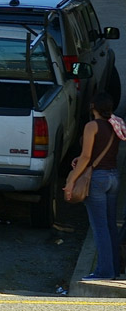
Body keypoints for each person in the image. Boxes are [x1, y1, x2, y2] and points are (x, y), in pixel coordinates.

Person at [64, 92, 121, 280]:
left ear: (92, 107)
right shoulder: (115, 125)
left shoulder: (92, 126)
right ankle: (114, 269)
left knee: (99, 227)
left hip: (97, 179)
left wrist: (71, 181)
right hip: (113, 177)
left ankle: (104, 272)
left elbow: (88, 156)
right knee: (111, 225)